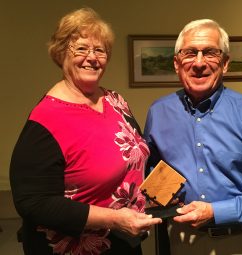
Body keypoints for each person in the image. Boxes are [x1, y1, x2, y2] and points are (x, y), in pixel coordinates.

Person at [10, 7, 162, 255]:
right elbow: (33, 202)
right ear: (61, 53)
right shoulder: (46, 118)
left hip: (125, 241)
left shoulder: (116, 101)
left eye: (100, 50)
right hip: (76, 247)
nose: (92, 57)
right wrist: (114, 219)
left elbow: (132, 158)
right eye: (81, 48)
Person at [144, 19, 242, 255]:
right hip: (182, 241)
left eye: (210, 53)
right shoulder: (158, 112)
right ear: (176, 64)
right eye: (189, 53)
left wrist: (216, 212)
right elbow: (154, 170)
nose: (198, 63)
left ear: (225, 63)